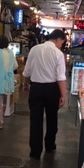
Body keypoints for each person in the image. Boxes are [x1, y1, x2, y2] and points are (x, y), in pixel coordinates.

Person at [22, 29, 67, 159]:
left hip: (36, 88)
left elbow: (26, 71)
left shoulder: (34, 49)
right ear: (58, 39)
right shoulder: (58, 54)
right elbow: (60, 77)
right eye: (61, 43)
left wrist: (25, 85)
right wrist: (63, 95)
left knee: (35, 120)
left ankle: (35, 151)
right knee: (52, 118)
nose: (60, 45)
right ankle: (49, 145)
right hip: (52, 89)